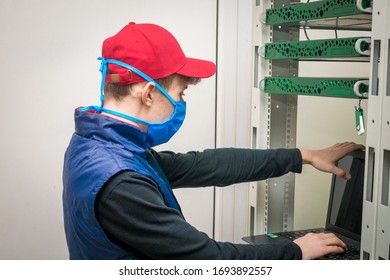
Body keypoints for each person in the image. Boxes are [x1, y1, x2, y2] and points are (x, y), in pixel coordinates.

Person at [62, 22, 364, 260]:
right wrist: (297, 251)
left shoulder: (96, 143)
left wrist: (304, 155)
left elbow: (205, 165)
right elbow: (206, 259)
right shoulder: (120, 181)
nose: (180, 102)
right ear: (149, 92)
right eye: (181, 93)